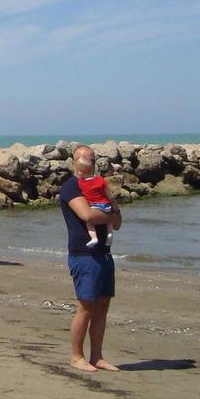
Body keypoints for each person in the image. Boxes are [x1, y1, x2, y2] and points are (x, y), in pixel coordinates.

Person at [59, 145, 122, 373]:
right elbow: (86, 214)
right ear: (74, 162)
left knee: (102, 306)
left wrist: (110, 211)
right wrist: (110, 211)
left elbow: (118, 222)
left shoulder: (99, 185)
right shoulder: (70, 187)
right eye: (84, 158)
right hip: (83, 255)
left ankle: (97, 356)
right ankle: (77, 356)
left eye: (92, 159)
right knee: (86, 306)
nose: (89, 162)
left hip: (104, 255)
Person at [77, 171, 114, 248]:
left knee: (90, 223)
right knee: (109, 220)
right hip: (106, 204)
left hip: (95, 206)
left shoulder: (81, 182)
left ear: (80, 173)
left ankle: (94, 238)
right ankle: (110, 233)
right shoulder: (100, 179)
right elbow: (106, 190)